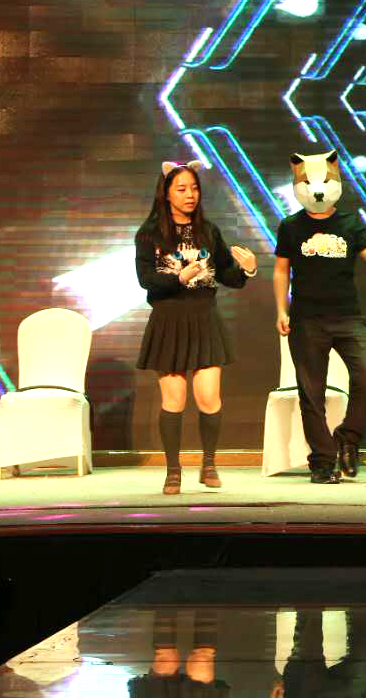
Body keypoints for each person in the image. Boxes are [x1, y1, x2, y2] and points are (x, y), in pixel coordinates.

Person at [273, 151, 366, 484]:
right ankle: (321, 461)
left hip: (347, 316)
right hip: (307, 318)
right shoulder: (290, 226)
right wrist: (281, 310)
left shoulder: (350, 223)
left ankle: (348, 438)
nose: (317, 190)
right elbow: (281, 270)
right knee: (311, 393)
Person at [136, 160, 258, 495]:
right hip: (169, 322)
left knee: (208, 398)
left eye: (194, 188)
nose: (190, 195)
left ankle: (209, 464)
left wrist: (247, 269)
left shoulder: (209, 231)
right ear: (166, 193)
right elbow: (145, 279)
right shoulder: (149, 234)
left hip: (204, 320)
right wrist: (179, 278)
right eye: (181, 189)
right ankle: (173, 471)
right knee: (173, 400)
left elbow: (228, 275)